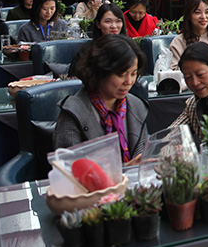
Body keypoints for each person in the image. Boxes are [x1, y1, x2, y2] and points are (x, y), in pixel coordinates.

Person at [54, 35, 148, 165]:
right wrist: (126, 168)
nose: (129, 81)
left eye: (133, 74)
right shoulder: (73, 112)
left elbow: (142, 156)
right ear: (100, 71)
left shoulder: (136, 106)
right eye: (121, 74)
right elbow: (69, 168)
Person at [69, 3, 128, 78]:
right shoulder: (86, 50)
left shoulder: (129, 47)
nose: (114, 26)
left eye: (118, 21)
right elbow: (74, 77)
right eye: (108, 21)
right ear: (98, 24)